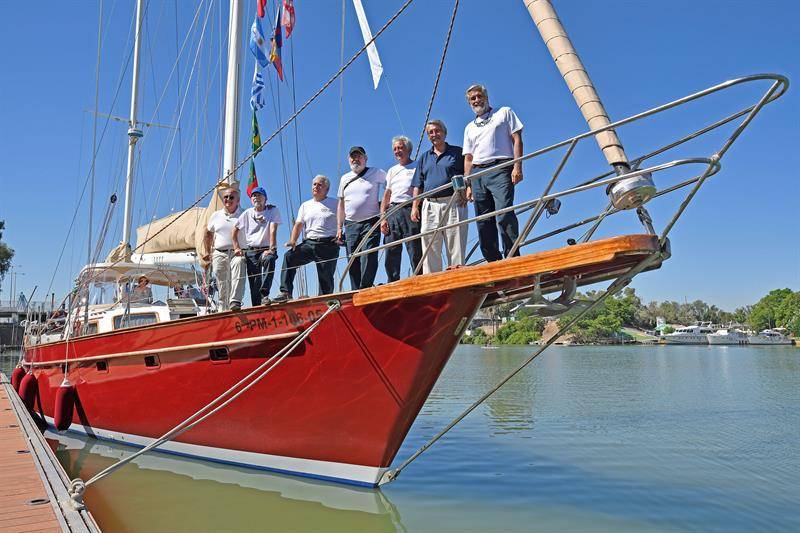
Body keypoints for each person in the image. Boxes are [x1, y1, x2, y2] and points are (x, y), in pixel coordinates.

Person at [463, 84, 524, 262]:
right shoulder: (469, 127)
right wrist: (468, 185)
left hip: (501, 167)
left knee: (504, 212)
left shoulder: (504, 112)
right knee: (483, 220)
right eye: (472, 98)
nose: (476, 100)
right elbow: (468, 158)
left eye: (479, 96)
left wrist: (517, 166)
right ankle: (493, 261)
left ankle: (512, 257)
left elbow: (517, 139)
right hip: (477, 173)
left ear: (486, 96)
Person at [410, 119, 468, 274]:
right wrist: (415, 206)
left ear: (444, 132)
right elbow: (418, 184)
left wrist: (466, 190)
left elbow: (467, 173)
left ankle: (456, 276)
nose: (434, 134)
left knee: (455, 242)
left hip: (453, 201)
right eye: (430, 132)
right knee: (429, 244)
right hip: (429, 204)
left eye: (437, 131)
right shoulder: (424, 157)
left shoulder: (457, 152)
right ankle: (432, 280)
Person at [273, 175, 340, 301]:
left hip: (328, 244)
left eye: (320, 184)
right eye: (314, 184)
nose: (316, 186)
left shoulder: (335, 203)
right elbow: (298, 224)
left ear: (326, 189)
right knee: (289, 257)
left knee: (326, 280)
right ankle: (286, 292)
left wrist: (341, 234)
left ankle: (325, 301)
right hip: (309, 243)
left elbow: (345, 219)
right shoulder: (305, 205)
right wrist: (293, 240)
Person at [336, 146, 386, 290]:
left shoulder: (376, 173)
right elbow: (341, 204)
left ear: (365, 158)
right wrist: (339, 227)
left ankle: (365, 287)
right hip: (351, 224)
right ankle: (355, 290)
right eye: (352, 156)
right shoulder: (344, 178)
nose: (355, 159)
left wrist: (384, 206)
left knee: (368, 255)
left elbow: (390, 185)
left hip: (371, 221)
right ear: (348, 159)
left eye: (358, 156)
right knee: (352, 259)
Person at [380, 135, 422, 282]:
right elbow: (387, 194)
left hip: (409, 209)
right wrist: (383, 218)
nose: (397, 151)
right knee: (391, 250)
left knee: (415, 248)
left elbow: (420, 188)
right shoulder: (392, 170)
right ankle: (392, 281)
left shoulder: (417, 166)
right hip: (392, 211)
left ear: (408, 149)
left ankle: (419, 279)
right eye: (395, 149)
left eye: (400, 148)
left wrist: (415, 207)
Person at [232, 186, 282, 306]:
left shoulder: (272, 211)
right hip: (251, 251)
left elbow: (273, 230)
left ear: (265, 198)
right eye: (254, 195)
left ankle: (265, 294)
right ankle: (256, 308)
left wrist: (271, 248)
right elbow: (234, 230)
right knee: (254, 283)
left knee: (270, 259)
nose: (256, 197)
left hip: (266, 248)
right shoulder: (247, 213)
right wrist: (236, 247)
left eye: (259, 195)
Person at [202, 186, 246, 311]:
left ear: (238, 200)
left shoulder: (244, 214)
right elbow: (208, 232)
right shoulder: (216, 215)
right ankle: (223, 307)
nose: (228, 199)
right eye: (225, 197)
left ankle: (235, 302)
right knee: (222, 282)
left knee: (240, 263)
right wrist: (207, 251)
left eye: (231, 197)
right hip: (219, 253)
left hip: (237, 252)